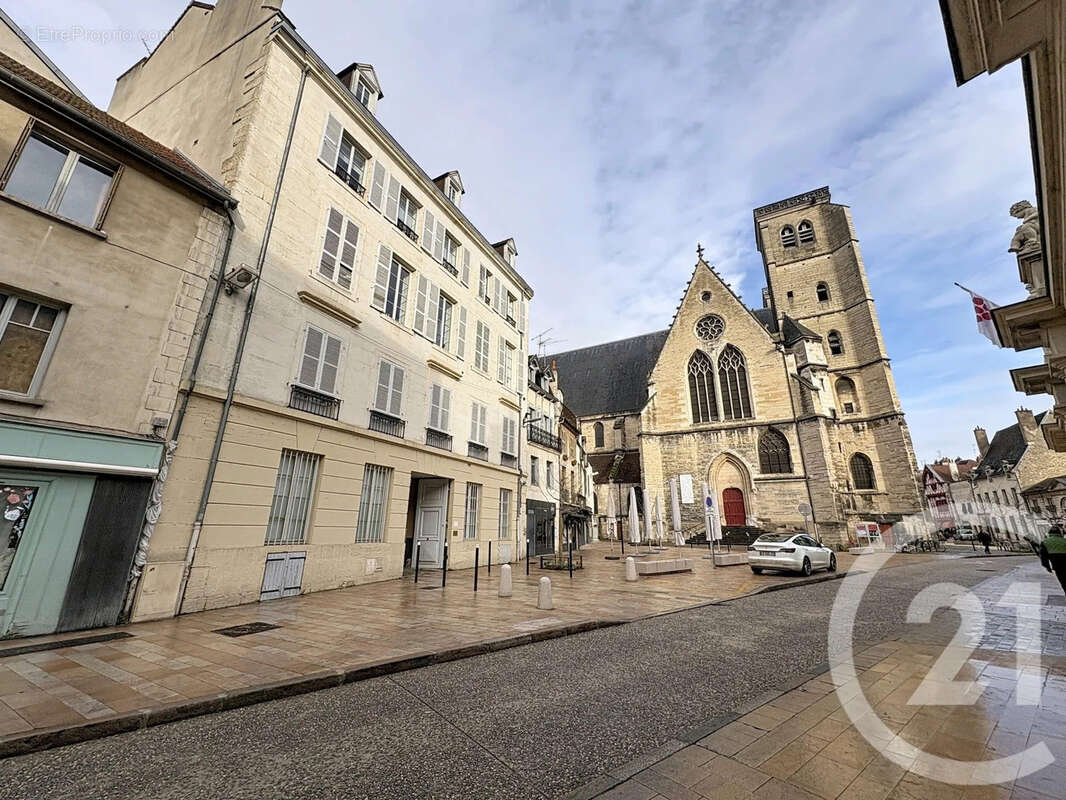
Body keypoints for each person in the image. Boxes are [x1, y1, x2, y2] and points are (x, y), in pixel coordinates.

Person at [1039, 525, 1066, 595]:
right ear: (1060, 533)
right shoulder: (1064, 541)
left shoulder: (1045, 542)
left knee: (1063, 582)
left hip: (1057, 566)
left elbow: (1043, 556)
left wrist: (1047, 567)